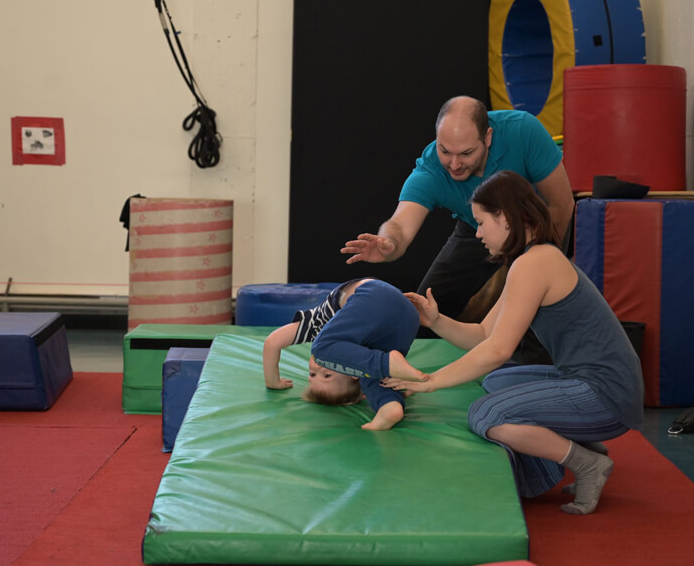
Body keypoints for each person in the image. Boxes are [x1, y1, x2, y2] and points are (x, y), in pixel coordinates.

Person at [383, 171, 644, 515]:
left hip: (608, 396)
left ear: (505, 218)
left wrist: (431, 381)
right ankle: (580, 439)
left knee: (485, 414)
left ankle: (587, 463)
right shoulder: (530, 259)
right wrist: (436, 320)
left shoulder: (536, 263)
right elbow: (483, 335)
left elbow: (498, 350)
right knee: (497, 382)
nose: (477, 233)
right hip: (594, 382)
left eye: (480, 223)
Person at [341, 96, 574, 328]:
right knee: (427, 312)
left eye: (466, 153)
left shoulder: (523, 130)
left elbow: (561, 204)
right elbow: (399, 225)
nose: (454, 164)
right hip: (476, 227)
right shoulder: (431, 171)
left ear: (488, 138)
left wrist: (544, 258)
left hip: (536, 226)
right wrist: (389, 243)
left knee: (534, 307)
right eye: (445, 151)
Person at [262, 278, 425, 431]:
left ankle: (386, 366)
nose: (318, 367)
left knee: (321, 349)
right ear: (353, 373)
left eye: (312, 374)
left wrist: (273, 381)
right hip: (406, 316)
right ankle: (389, 406)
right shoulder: (359, 358)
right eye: (327, 375)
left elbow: (272, 342)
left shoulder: (318, 326)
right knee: (372, 376)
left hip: (377, 297)